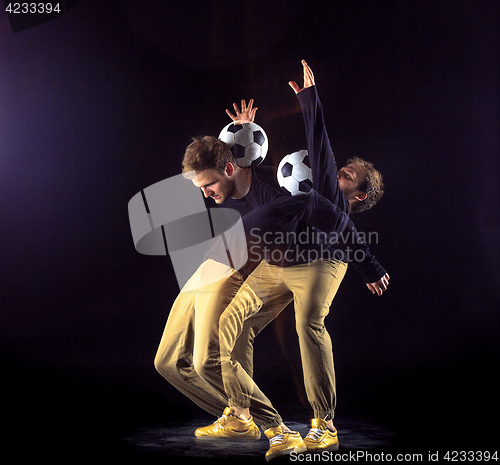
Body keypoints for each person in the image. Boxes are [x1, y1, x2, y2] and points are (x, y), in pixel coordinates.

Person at [154, 61, 389, 461]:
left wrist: (309, 100)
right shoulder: (294, 198)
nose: (333, 173)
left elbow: (320, 148)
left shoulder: (331, 203)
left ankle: (324, 425)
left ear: (359, 194)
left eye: (346, 174)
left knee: (308, 323)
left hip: (321, 264)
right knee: (230, 326)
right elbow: (249, 189)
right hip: (278, 264)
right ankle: (241, 414)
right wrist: (242, 140)